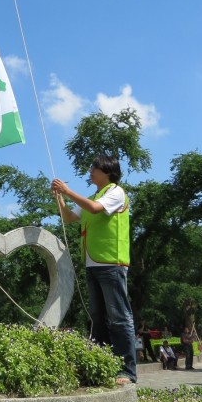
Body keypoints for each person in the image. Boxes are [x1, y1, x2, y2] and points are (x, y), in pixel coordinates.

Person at [52, 156, 137, 386]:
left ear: (107, 171)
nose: (90, 172)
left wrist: (67, 191)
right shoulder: (93, 197)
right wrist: (60, 198)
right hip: (93, 264)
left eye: (94, 168)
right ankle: (102, 368)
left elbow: (95, 209)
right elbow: (69, 217)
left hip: (112, 264)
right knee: (98, 319)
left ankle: (127, 371)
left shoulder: (116, 192)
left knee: (119, 318)